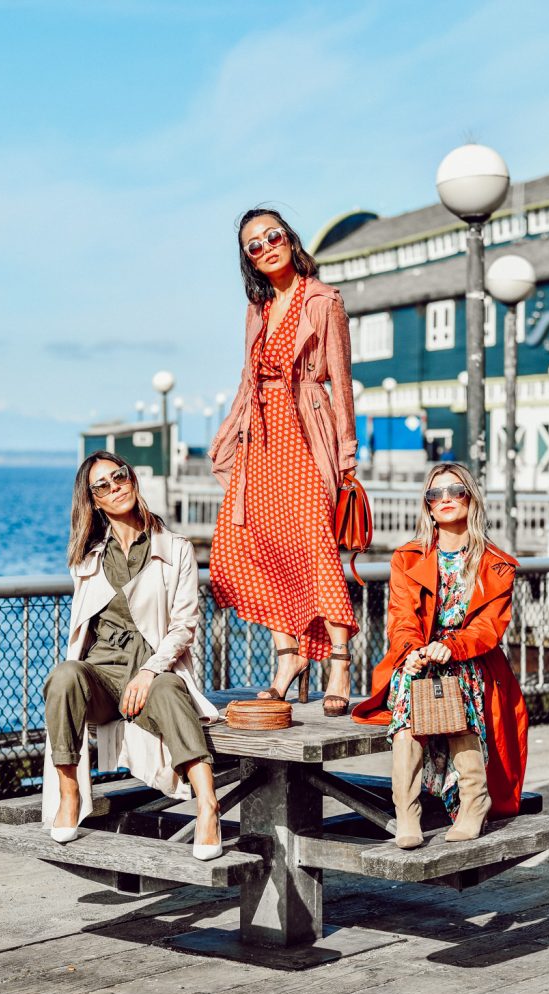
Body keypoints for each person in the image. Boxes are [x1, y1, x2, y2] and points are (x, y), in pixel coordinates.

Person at [209, 208, 359, 715]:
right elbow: (247, 381)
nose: (266, 246)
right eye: (254, 244)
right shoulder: (257, 309)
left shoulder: (324, 301)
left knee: (317, 546)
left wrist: (347, 456)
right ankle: (288, 656)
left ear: (290, 240)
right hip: (261, 441)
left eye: (273, 235)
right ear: (248, 260)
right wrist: (228, 432)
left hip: (306, 435)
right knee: (245, 543)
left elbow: (341, 382)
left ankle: (339, 661)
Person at [42, 451, 222, 860]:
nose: (113, 487)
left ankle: (207, 804)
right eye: (101, 485)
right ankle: (69, 792)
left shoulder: (175, 549)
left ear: (132, 479)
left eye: (118, 476)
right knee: (64, 674)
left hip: (153, 668)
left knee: (168, 691)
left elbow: (184, 626)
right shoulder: (87, 560)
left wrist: (148, 671)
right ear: (94, 501)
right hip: (101, 676)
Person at [352, 462, 528, 847]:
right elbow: (401, 619)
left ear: (471, 498)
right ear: (428, 507)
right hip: (420, 657)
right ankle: (407, 811)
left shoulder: (496, 565)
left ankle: (473, 802)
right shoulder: (407, 558)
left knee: (456, 681)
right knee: (410, 682)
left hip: (471, 659)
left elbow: (488, 629)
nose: (445, 499)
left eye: (455, 491)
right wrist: (411, 652)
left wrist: (450, 647)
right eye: (436, 494)